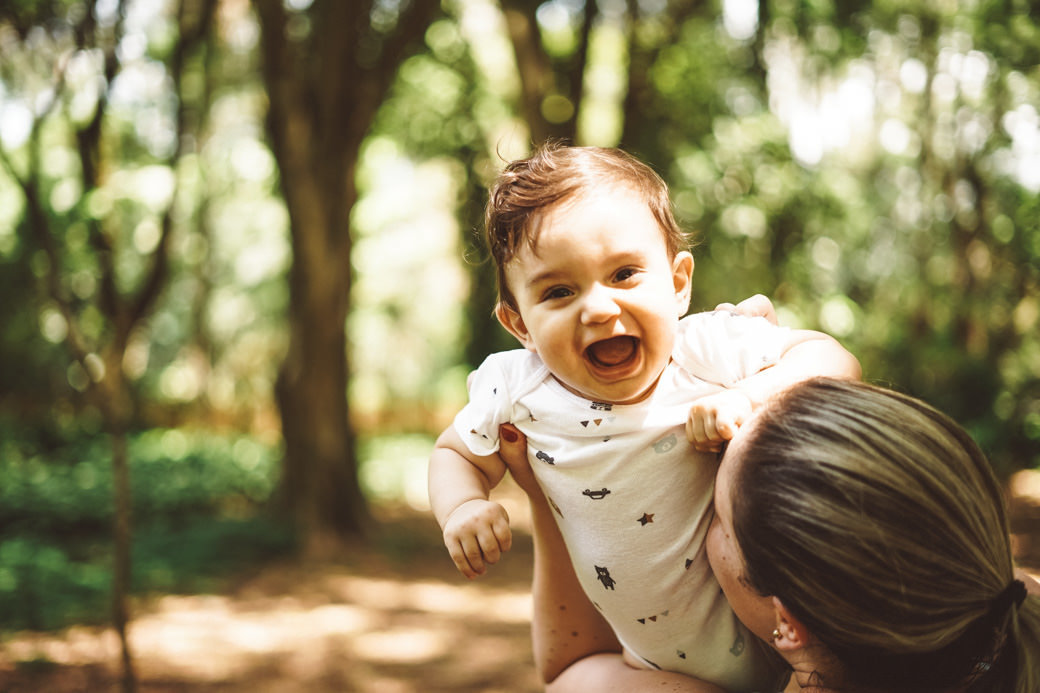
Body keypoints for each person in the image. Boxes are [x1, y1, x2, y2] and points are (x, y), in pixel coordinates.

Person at [427, 143, 861, 692]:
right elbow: (453, 452)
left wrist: (752, 396)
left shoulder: (702, 348)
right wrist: (463, 506)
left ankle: (823, 672)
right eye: (559, 291)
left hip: (781, 641)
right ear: (521, 326)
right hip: (657, 667)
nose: (600, 307)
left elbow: (833, 359)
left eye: (624, 273)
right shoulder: (518, 386)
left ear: (678, 284)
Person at [498, 377, 1040, 692]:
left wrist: (549, 498)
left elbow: (571, 670)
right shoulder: (1008, 608)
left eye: (712, 509)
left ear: (789, 622)